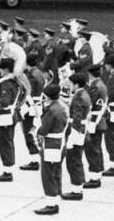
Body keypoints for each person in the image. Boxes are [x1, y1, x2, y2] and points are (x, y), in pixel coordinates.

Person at [34, 84, 67, 216]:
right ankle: (55, 197)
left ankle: (51, 204)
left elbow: (43, 130)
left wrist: (37, 123)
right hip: (59, 143)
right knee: (56, 171)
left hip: (51, 144)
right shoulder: (61, 107)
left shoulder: (51, 110)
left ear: (47, 96)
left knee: (48, 174)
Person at [63, 72, 90, 202]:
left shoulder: (79, 97)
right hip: (81, 130)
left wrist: (72, 137)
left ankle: (77, 189)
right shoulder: (83, 94)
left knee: (73, 160)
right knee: (76, 159)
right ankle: (78, 186)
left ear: (76, 84)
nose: (70, 86)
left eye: (71, 84)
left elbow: (77, 118)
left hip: (76, 131)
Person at [0, 58, 21, 182]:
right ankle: (8, 168)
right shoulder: (14, 80)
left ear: (5, 69)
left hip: (5, 116)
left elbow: (4, 102)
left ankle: (8, 171)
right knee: (8, 142)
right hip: (10, 115)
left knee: (4, 143)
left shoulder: (6, 83)